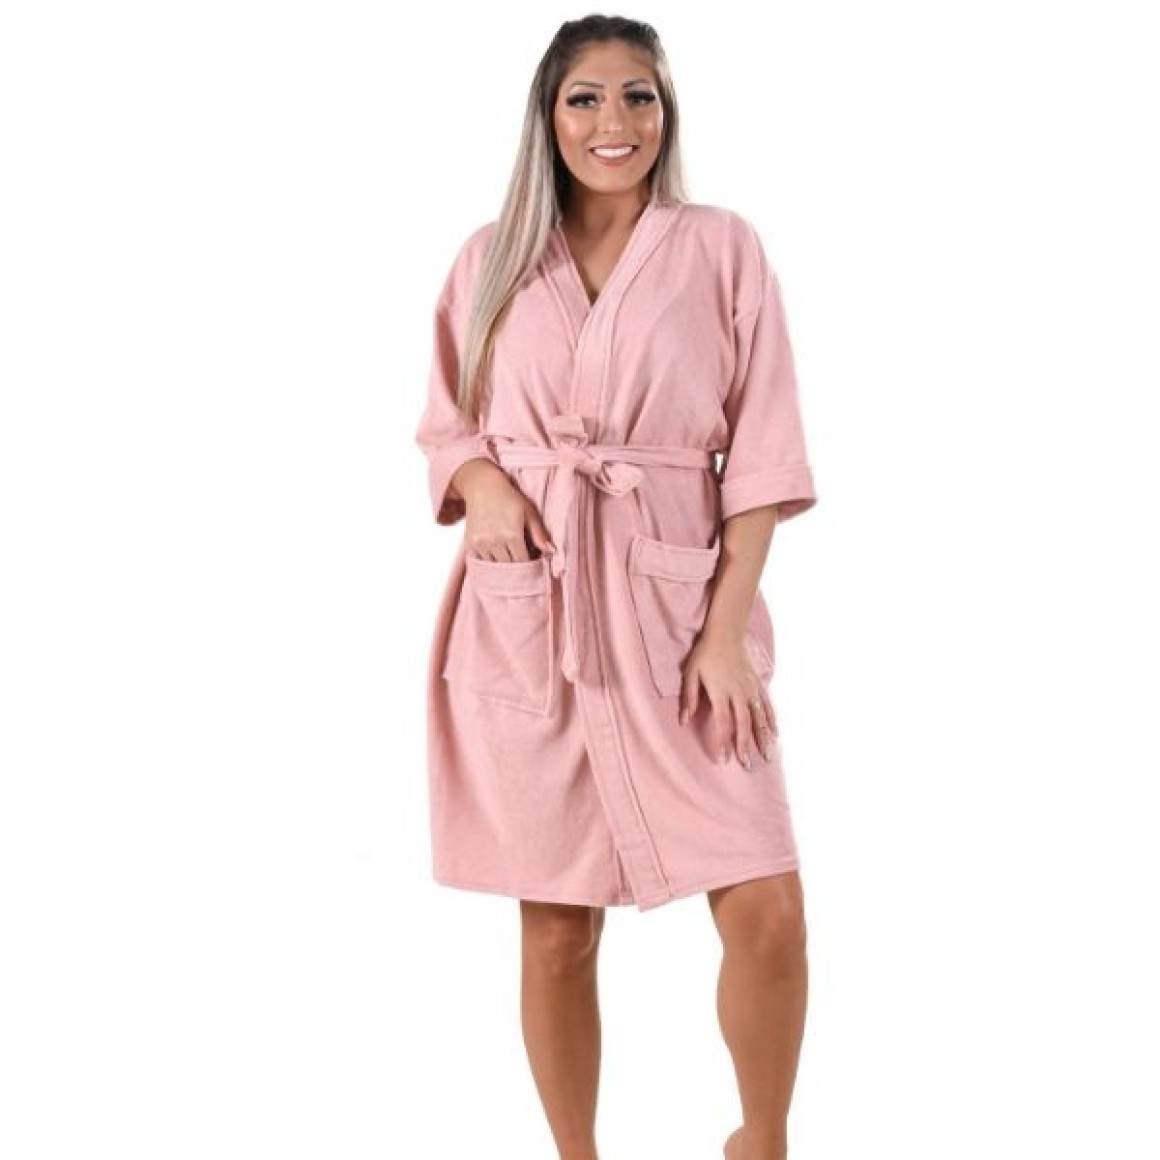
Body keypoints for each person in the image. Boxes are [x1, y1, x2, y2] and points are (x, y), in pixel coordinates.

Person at [413, 14, 818, 1160]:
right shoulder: (489, 257)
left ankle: (761, 1140)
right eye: (585, 98)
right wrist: (483, 486)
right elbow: (445, 422)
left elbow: (764, 454)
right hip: (529, 623)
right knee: (555, 929)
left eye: (637, 96)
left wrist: (725, 633)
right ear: (547, 117)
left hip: (677, 619)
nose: (614, 122)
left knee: (767, 911)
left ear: (665, 112)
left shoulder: (720, 248)